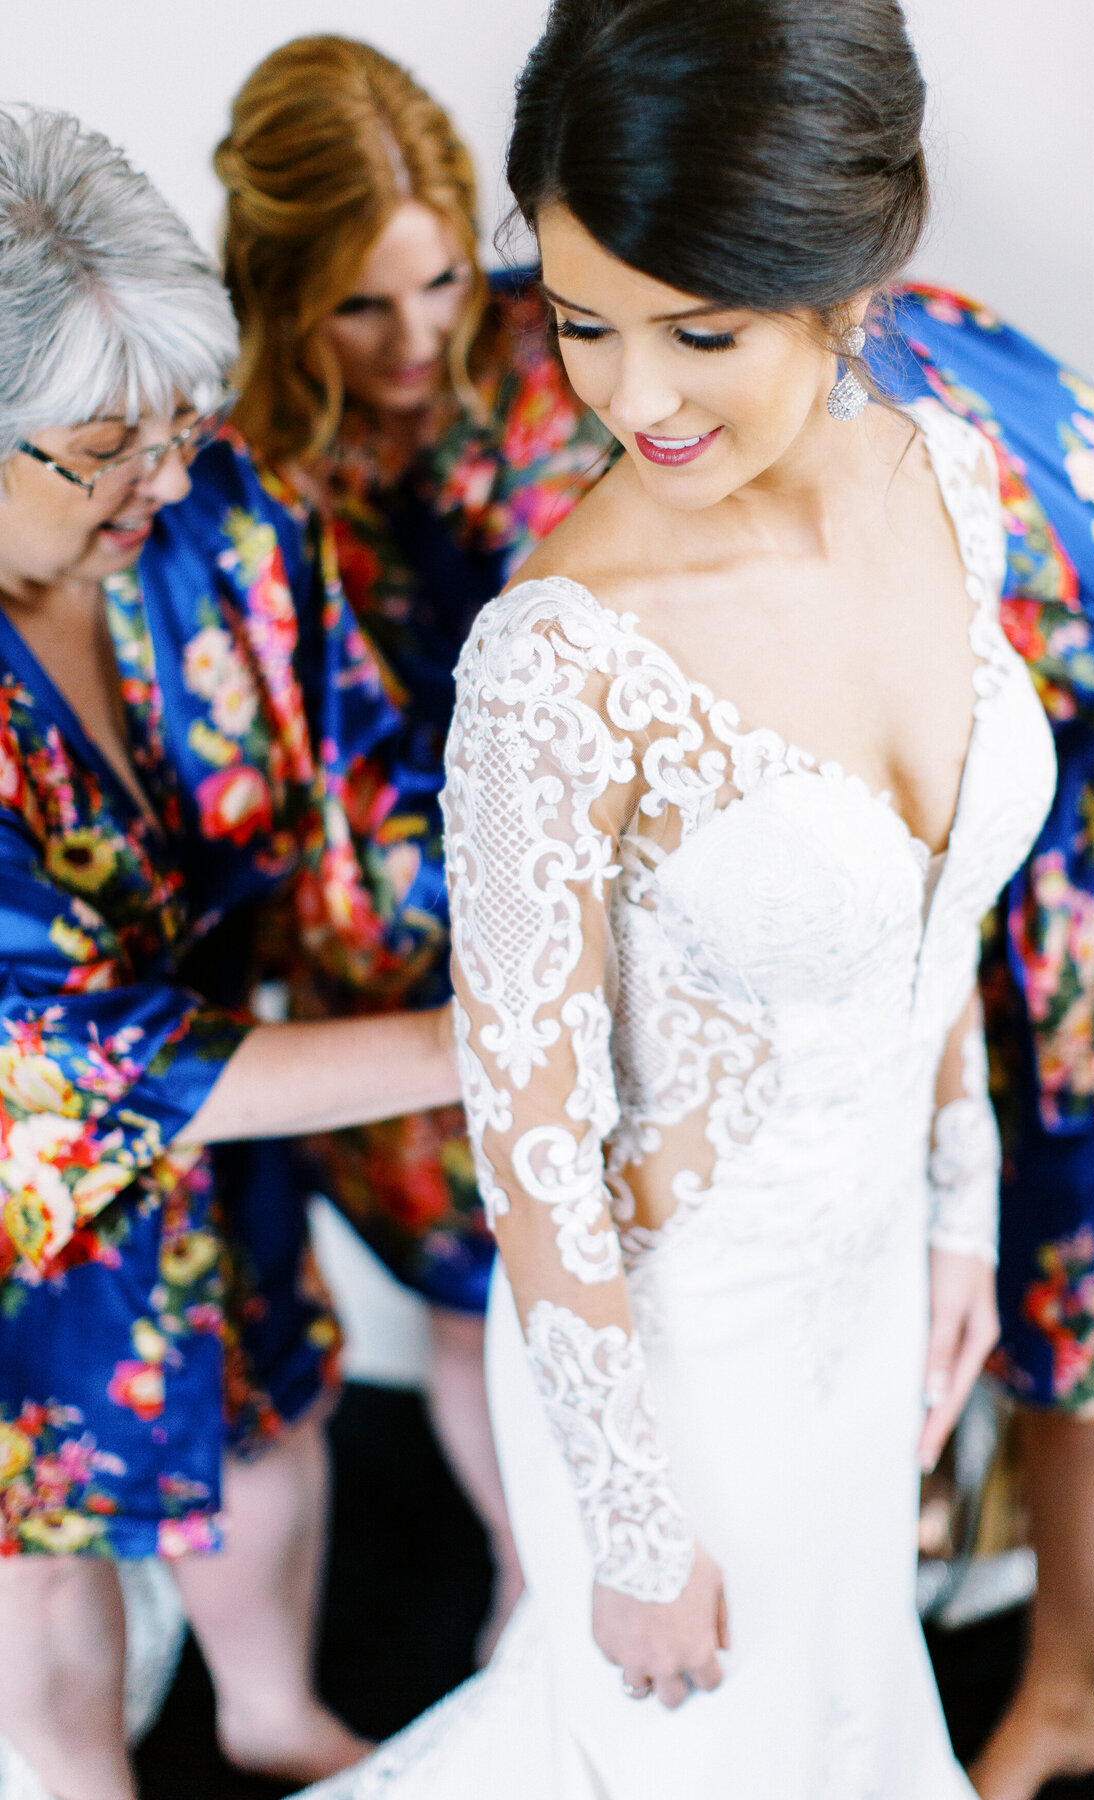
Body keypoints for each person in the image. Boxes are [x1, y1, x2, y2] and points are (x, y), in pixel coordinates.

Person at [303, 0, 1057, 1793]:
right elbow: (531, 1131)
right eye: (580, 322)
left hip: (871, 1275)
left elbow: (937, 905)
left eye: (698, 329)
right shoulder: (555, 668)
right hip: (669, 1371)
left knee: (848, 1717)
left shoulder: (947, 480)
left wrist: (963, 1202)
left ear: (852, 271)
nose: (631, 396)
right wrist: (631, 1528)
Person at [0, 106, 463, 1800]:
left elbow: (365, 769)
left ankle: (274, 1716)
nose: (174, 476)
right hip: (27, 1180)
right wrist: (473, 1045)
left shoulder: (212, 519)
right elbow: (69, 1054)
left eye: (182, 419)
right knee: (39, 1531)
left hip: (241, 1103)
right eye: (111, 443)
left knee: (273, 1394)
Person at [213, 32, 612, 1657]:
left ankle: (612, 1577)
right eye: (360, 306)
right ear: (282, 286)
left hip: (589, 886)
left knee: (603, 1278)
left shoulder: (565, 355)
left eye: (440, 282)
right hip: (375, 943)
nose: (413, 337)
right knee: (473, 1299)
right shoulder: (237, 460)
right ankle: (529, 1585)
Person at [869, 287, 1094, 1800]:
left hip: (1087, 884)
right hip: (975, 855)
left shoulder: (898, 400)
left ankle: (1068, 1691)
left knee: (1066, 1324)